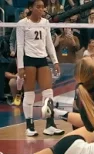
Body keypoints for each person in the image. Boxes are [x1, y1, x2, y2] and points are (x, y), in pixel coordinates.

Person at [16, 0, 64, 137]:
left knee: (48, 92)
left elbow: (49, 43)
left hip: (42, 59)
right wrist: (20, 66)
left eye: (43, 7)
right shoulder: (22, 24)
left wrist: (55, 61)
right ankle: (29, 126)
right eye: (38, 7)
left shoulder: (45, 23)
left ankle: (49, 124)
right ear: (31, 8)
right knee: (30, 94)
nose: (41, 9)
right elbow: (19, 46)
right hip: (29, 59)